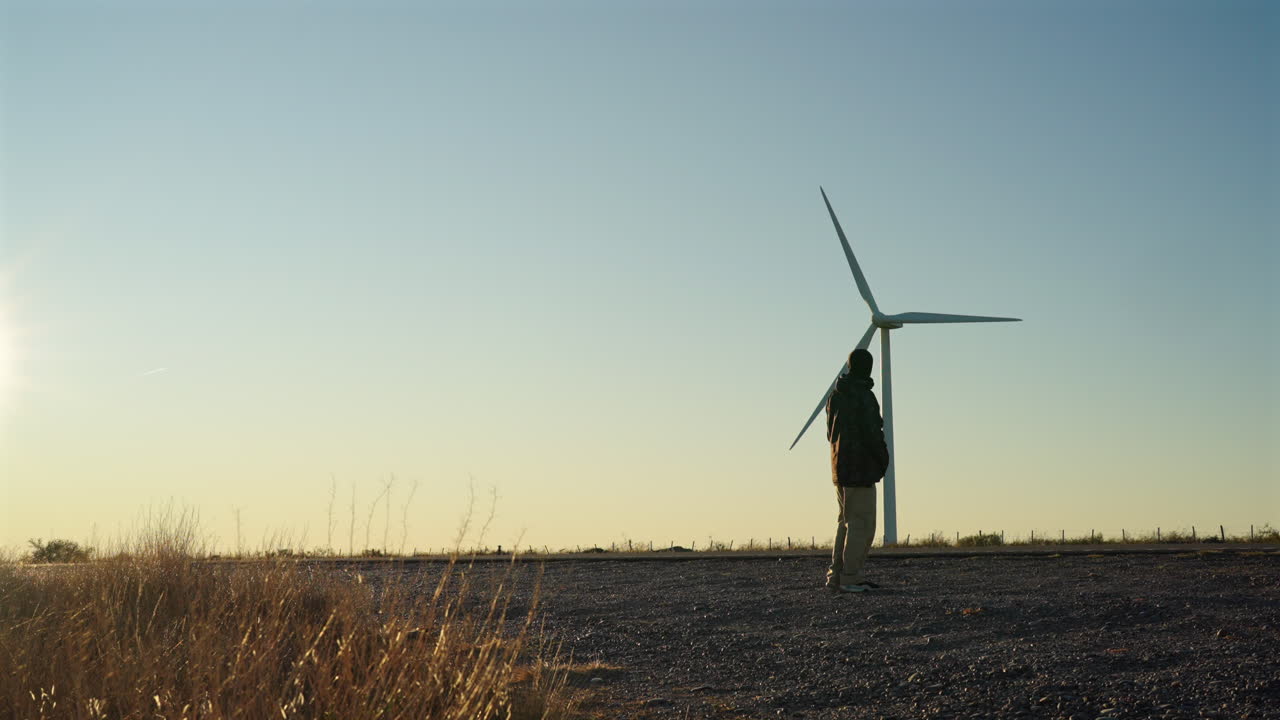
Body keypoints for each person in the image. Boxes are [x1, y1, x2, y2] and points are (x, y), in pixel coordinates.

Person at [825, 348, 890, 593]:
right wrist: (883, 460)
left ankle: (837, 576)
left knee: (845, 522)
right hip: (860, 469)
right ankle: (851, 577)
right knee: (861, 524)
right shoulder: (863, 396)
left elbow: (829, 433)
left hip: (839, 468)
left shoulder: (835, 396)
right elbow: (873, 434)